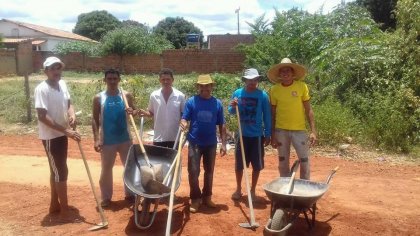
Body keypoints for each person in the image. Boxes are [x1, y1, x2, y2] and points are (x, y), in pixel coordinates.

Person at [34, 56, 81, 222]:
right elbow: (42, 116)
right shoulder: (42, 89)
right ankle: (64, 211)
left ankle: (54, 204)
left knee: (56, 170)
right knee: (61, 171)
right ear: (45, 71)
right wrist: (66, 130)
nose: (56, 71)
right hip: (51, 137)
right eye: (52, 68)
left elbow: (69, 103)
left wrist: (72, 115)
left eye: (58, 68)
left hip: (62, 134)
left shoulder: (62, 84)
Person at [180, 74, 227, 213]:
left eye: (207, 86)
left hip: (211, 143)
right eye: (202, 86)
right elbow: (185, 118)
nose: (204, 88)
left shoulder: (217, 103)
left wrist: (224, 144)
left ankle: (207, 197)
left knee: (209, 171)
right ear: (198, 87)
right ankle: (195, 198)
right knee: (193, 171)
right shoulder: (191, 101)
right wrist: (182, 123)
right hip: (194, 142)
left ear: (211, 87)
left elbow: (222, 125)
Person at [267, 58, 317, 180]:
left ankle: (305, 188)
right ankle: (285, 187)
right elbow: (272, 113)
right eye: (282, 71)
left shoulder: (302, 87)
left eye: (288, 70)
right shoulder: (274, 90)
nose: (285, 73)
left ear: (293, 73)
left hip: (299, 130)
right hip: (280, 131)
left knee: (304, 160)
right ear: (279, 74)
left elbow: (308, 110)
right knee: (283, 161)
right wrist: (272, 134)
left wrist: (313, 131)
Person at [91, 68, 134, 207]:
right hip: (108, 140)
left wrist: (132, 111)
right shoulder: (99, 98)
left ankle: (130, 194)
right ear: (105, 80)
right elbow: (94, 119)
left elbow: (134, 112)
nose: (112, 81)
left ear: (119, 80)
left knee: (129, 167)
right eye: (109, 79)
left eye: (115, 78)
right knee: (106, 169)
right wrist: (97, 139)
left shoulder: (126, 95)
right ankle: (106, 198)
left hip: (125, 139)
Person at [228, 68, 271, 201]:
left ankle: (252, 191)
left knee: (256, 165)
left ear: (257, 80)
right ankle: (238, 189)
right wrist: (233, 105)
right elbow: (231, 111)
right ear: (245, 80)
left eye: (255, 80)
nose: (252, 82)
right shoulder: (238, 93)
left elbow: (267, 116)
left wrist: (268, 133)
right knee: (239, 164)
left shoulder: (263, 95)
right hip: (241, 135)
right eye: (249, 80)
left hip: (257, 136)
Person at [132, 68, 185, 148]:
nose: (166, 82)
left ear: (172, 80)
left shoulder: (180, 96)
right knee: (159, 160)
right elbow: (151, 113)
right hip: (159, 136)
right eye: (163, 79)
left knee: (175, 159)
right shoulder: (154, 95)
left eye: (168, 79)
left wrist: (184, 121)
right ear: (160, 80)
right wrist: (144, 113)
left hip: (175, 136)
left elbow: (184, 113)